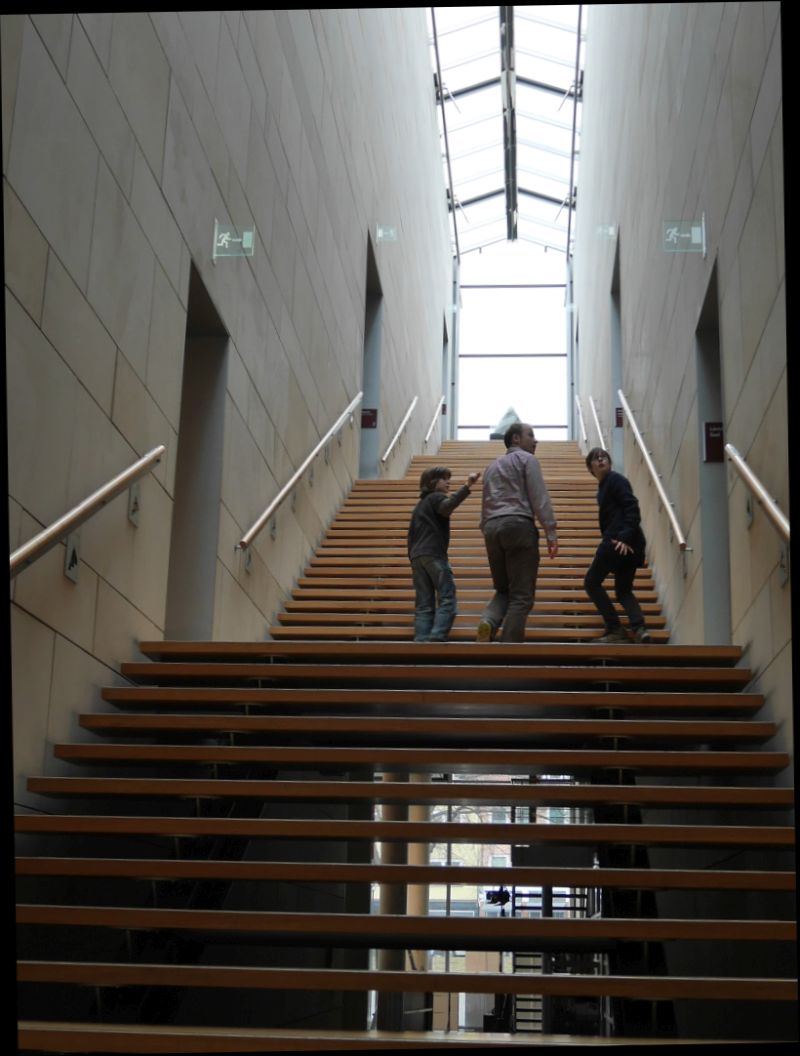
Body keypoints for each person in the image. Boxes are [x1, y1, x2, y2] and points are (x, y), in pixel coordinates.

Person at [477, 422, 558, 643]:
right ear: (515, 439)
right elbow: (538, 497)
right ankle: (509, 649)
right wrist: (550, 531)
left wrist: (486, 529)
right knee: (522, 595)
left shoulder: (491, 467)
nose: (535, 440)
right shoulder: (527, 460)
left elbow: (485, 502)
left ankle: (488, 621)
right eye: (530, 435)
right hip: (518, 525)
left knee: (503, 590)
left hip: (492, 529)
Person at [583, 447, 652, 643]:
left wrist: (623, 537)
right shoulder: (604, 488)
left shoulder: (615, 480)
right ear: (591, 468)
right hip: (630, 545)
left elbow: (632, 507)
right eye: (596, 459)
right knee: (623, 591)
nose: (600, 459)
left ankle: (615, 629)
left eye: (604, 456)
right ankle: (640, 629)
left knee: (591, 582)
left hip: (619, 542)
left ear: (610, 462)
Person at [407, 465, 480, 642]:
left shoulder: (419, 506)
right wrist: (467, 485)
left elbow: (411, 535)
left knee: (424, 604)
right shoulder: (436, 498)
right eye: (444, 479)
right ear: (432, 482)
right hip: (434, 555)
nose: (448, 482)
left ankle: (421, 640)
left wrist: (413, 557)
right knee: (447, 598)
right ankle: (437, 636)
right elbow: (447, 507)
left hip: (417, 557)